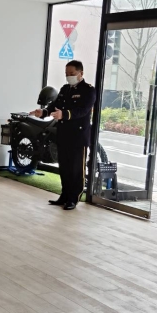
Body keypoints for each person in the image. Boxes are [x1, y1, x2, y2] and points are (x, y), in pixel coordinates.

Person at [31, 60, 96, 210]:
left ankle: (73, 198)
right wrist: (43, 112)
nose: (68, 76)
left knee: (76, 169)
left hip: (78, 136)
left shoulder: (88, 90)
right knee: (65, 168)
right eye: (66, 74)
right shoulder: (65, 89)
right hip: (63, 134)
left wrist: (65, 114)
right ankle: (64, 195)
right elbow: (55, 106)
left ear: (81, 73)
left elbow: (83, 110)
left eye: (72, 73)